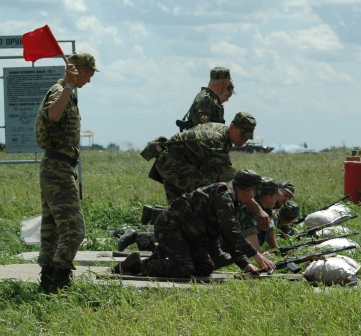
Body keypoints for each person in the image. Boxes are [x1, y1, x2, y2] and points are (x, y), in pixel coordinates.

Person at [113, 170, 276, 277]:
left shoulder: (233, 201)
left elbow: (228, 238)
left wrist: (246, 264)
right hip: (170, 228)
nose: (253, 197)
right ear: (247, 190)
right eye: (254, 192)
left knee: (205, 267)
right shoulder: (224, 197)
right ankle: (137, 266)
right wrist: (255, 255)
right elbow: (232, 232)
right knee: (186, 268)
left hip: (191, 236)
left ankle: (157, 260)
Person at [35, 51, 99, 293]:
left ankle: (47, 282)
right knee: (74, 230)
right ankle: (60, 283)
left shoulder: (67, 92)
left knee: (51, 230)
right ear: (80, 70)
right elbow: (52, 115)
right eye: (90, 74)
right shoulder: (61, 91)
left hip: (58, 168)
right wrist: (68, 86)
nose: (90, 80)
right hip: (57, 170)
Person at [239, 177, 283, 255]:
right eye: (276, 195)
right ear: (268, 198)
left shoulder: (267, 210)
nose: (277, 199)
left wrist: (277, 251)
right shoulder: (248, 210)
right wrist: (261, 255)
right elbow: (253, 246)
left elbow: (270, 231)